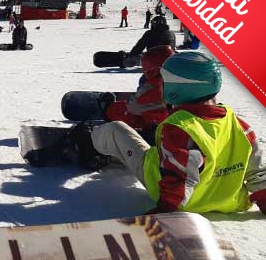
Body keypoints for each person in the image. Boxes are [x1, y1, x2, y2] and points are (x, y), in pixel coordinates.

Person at [73, 51, 266, 214]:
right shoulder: (239, 124)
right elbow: (258, 172)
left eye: (163, 82)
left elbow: (180, 178)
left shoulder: (180, 128)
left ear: (176, 88)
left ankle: (84, 143)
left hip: (180, 201)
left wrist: (164, 212)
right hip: (227, 201)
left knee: (116, 130)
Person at [102, 46, 174, 131]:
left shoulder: (153, 87)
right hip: (176, 122)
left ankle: (106, 109)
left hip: (159, 130)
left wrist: (110, 108)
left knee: (129, 114)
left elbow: (133, 107)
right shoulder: (181, 78)